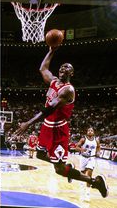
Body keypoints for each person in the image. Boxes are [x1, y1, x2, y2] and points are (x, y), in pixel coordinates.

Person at [14, 46, 108, 198]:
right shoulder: (53, 81)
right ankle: (67, 168)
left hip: (58, 130)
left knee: (59, 170)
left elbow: (50, 109)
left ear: (72, 73)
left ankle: (96, 182)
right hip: (47, 126)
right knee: (39, 154)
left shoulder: (68, 90)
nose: (63, 68)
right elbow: (42, 68)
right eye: (61, 66)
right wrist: (52, 50)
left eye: (67, 67)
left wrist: (28, 123)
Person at [75, 127, 101, 201]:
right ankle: (82, 187)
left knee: (89, 173)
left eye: (91, 130)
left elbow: (98, 147)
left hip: (91, 158)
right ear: (87, 132)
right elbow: (76, 147)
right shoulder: (83, 139)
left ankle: (87, 193)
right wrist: (81, 149)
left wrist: (98, 152)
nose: (90, 131)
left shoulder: (96, 140)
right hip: (83, 158)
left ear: (93, 132)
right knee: (82, 174)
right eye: (89, 130)